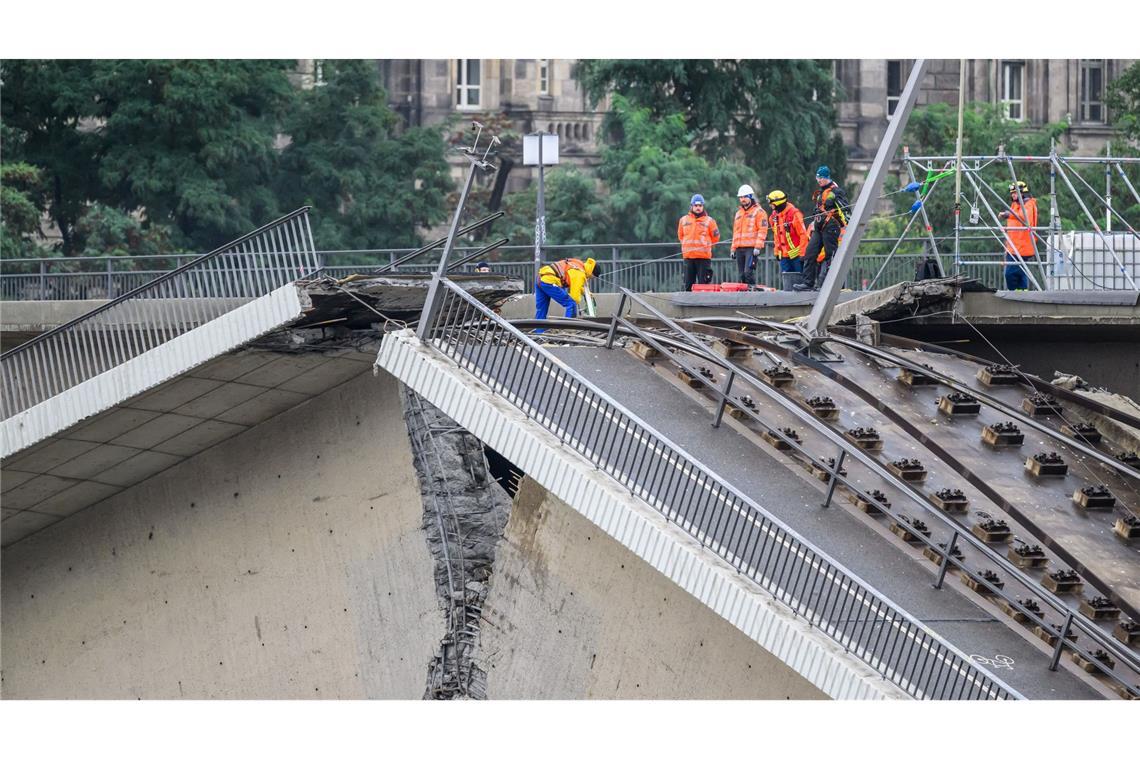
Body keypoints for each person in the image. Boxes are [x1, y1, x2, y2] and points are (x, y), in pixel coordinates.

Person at [798, 165, 849, 291]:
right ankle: (808, 283)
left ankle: (829, 284)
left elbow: (846, 210)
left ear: (827, 178)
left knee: (829, 256)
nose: (819, 180)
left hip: (831, 227)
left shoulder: (836, 192)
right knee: (810, 253)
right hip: (819, 228)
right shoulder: (821, 193)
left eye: (821, 178)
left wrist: (847, 223)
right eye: (818, 178)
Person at [999, 181, 1038, 290]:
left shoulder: (1029, 204)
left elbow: (1023, 217)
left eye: (1015, 192)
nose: (1013, 195)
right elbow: (1015, 222)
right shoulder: (1015, 204)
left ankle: (1014, 293)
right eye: (1012, 193)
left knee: (1010, 273)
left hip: (1021, 246)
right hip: (1014, 246)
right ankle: (1022, 293)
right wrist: (1006, 229)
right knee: (1021, 272)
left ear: (1023, 192)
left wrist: (1007, 214)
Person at [535, 256, 601, 321]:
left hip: (540, 279)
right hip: (549, 281)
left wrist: (585, 293)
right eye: (593, 277)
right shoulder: (580, 274)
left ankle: (539, 330)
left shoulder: (578, 266)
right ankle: (568, 328)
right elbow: (575, 297)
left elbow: (577, 285)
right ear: (591, 273)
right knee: (571, 304)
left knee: (541, 309)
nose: (591, 278)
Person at [767, 190, 808, 290]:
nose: (770, 206)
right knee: (787, 282)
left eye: (772, 204)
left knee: (799, 280)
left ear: (778, 203)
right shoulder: (773, 217)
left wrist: (803, 254)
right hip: (784, 256)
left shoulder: (794, 214)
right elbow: (777, 235)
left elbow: (803, 235)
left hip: (797, 255)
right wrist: (776, 251)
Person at [677, 194, 720, 291]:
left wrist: (705, 246)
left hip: (703, 258)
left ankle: (703, 306)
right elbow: (680, 235)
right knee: (688, 285)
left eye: (700, 206)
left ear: (703, 207)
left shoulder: (710, 221)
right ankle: (688, 305)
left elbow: (716, 237)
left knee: (704, 286)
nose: (698, 208)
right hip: (688, 257)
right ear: (691, 206)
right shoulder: (683, 220)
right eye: (696, 206)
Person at [731, 184, 769, 287]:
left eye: (745, 197)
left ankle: (752, 293)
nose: (743, 199)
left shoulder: (759, 212)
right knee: (742, 275)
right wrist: (733, 248)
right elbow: (735, 232)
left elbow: (762, 230)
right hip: (739, 248)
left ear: (750, 197)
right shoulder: (738, 213)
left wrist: (758, 246)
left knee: (748, 273)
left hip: (751, 248)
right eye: (741, 197)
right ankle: (744, 296)